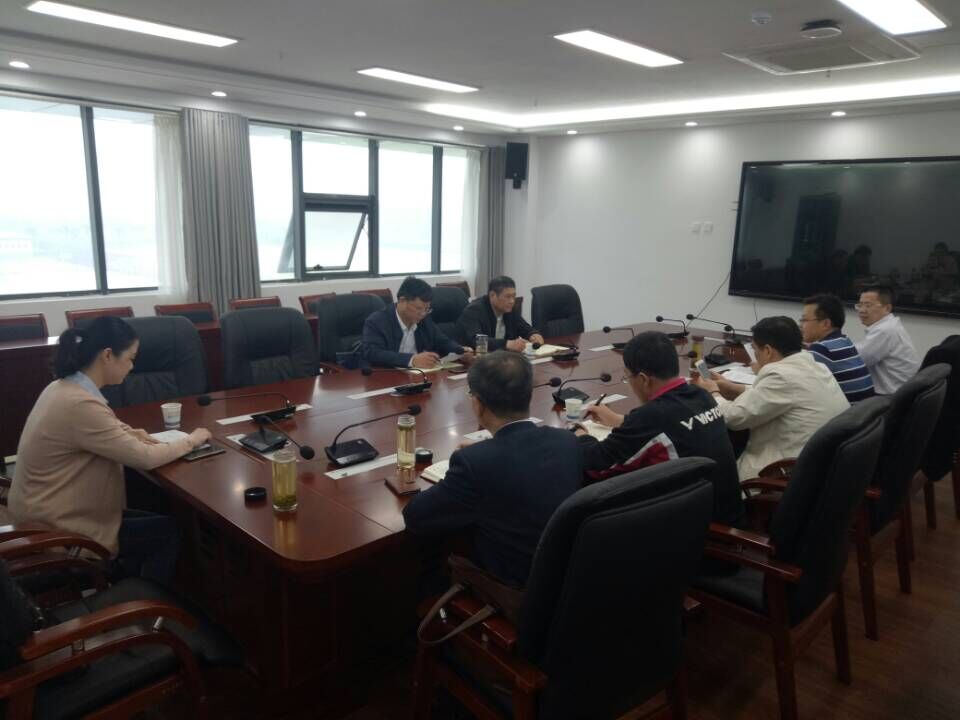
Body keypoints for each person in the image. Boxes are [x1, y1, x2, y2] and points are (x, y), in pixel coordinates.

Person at [8, 317, 211, 585]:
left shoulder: (63, 387)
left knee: (157, 519)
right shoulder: (79, 404)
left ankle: (124, 578)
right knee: (167, 533)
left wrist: (132, 433)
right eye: (130, 358)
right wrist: (193, 440)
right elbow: (144, 458)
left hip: (44, 513)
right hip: (61, 532)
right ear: (107, 356)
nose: (132, 366)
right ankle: (141, 601)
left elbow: (101, 426)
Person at [402, 351, 582, 588]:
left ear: (477, 403)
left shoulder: (475, 463)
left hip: (514, 592)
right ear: (528, 395)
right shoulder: (567, 441)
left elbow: (416, 517)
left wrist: (476, 459)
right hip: (567, 581)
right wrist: (486, 452)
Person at [576, 332, 744, 528]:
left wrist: (581, 435)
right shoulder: (701, 396)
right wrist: (619, 420)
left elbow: (596, 466)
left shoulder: (651, 418)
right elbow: (670, 425)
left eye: (628, 377)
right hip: (729, 517)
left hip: (700, 534)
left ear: (644, 379)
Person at [693, 316, 849, 482]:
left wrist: (713, 392)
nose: (755, 356)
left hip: (781, 476)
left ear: (767, 350)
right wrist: (735, 388)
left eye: (755, 350)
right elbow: (777, 396)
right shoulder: (815, 366)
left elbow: (733, 418)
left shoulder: (781, 376)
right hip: (821, 469)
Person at [359, 275, 473, 369]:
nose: (423, 314)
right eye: (418, 308)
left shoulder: (424, 320)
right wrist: (412, 360)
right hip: (386, 378)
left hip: (418, 377)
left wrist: (460, 351)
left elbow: (441, 341)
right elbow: (373, 353)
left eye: (427, 309)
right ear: (402, 301)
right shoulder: (377, 321)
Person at [800, 293, 874, 402]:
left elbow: (797, 384)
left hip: (848, 411)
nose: (800, 325)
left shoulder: (821, 349)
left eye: (804, 320)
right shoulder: (844, 341)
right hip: (864, 410)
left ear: (825, 323)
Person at [854, 285, 920, 395]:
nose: (861, 310)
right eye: (860, 305)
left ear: (887, 308)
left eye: (868, 305)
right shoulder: (890, 324)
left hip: (892, 397)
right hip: (899, 391)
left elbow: (857, 360)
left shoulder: (885, 330)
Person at [456, 276, 545, 352]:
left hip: (502, 358)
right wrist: (507, 344)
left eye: (514, 296)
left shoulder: (509, 309)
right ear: (492, 295)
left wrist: (533, 334)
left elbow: (523, 327)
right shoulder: (474, 310)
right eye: (507, 296)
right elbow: (476, 340)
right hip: (473, 360)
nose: (512, 301)